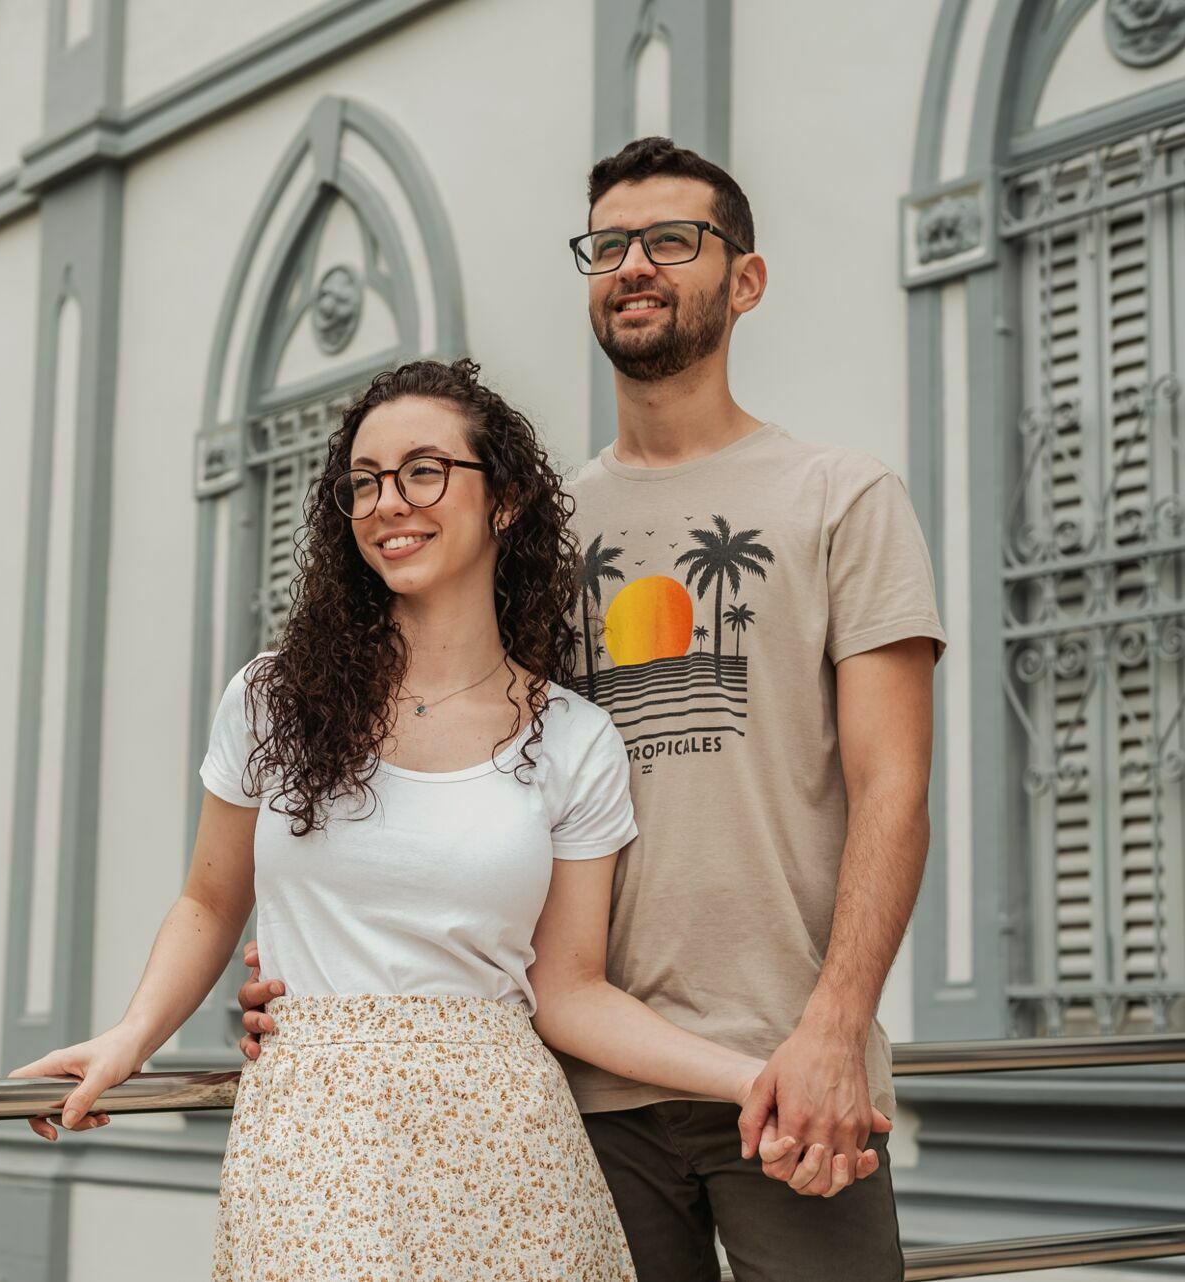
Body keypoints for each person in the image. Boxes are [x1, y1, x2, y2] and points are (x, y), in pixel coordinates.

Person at [237, 138, 942, 1281]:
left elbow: (894, 789)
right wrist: (318, 971)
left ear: (746, 280)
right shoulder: (531, 530)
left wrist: (834, 1028)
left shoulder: (841, 497)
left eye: (672, 239)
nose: (635, 265)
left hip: (790, 1077)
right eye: (608, 246)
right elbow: (440, 754)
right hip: (572, 1093)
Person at [13, 358, 829, 1280]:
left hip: (510, 1149)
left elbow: (569, 991)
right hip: (311, 1136)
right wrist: (128, 1039)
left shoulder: (574, 739)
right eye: (364, 482)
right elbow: (209, 901)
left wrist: (754, 1078)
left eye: (424, 471)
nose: (388, 503)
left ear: (506, 499)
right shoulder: (272, 698)